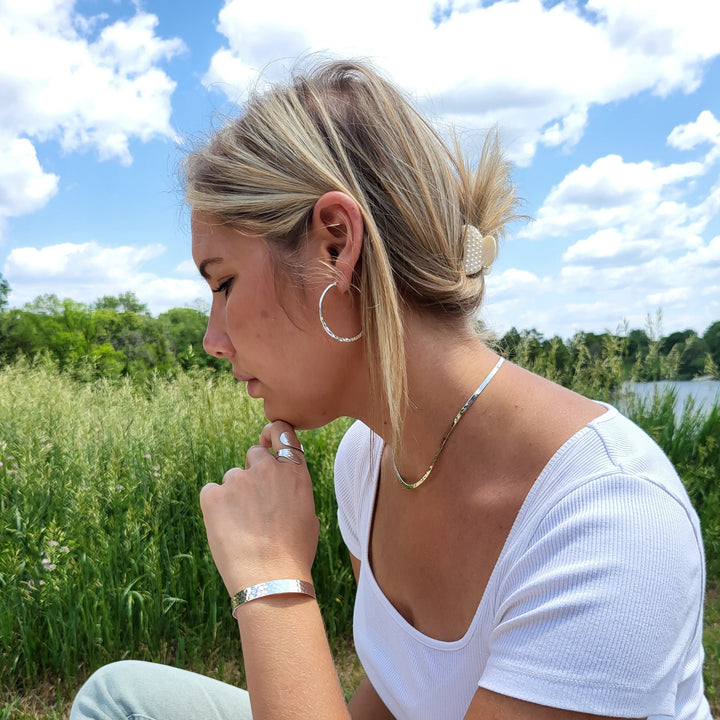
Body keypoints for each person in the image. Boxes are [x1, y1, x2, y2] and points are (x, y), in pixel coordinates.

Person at [70, 59, 712, 720]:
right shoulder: (365, 464)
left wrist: (272, 582)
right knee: (118, 697)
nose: (212, 339)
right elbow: (400, 692)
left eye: (223, 281)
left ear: (336, 244)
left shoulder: (608, 522)